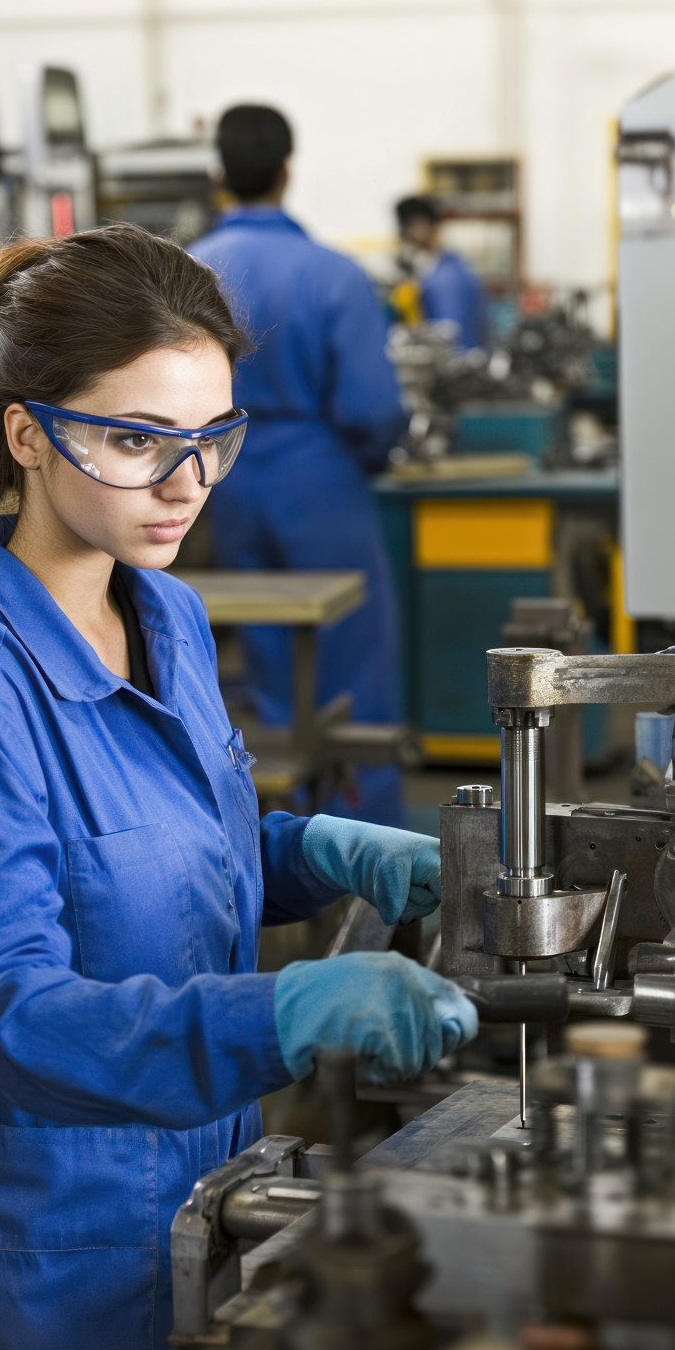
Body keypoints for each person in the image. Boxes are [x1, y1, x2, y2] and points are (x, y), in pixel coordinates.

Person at [0, 224, 478, 1350]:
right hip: (37, 1276)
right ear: (26, 434)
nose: (184, 485)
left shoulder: (166, 614)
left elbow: (167, 852)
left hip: (197, 1206)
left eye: (209, 441)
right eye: (135, 441)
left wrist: (322, 850)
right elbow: (1, 1019)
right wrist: (280, 1014)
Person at [191, 105, 407, 828]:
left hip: (225, 479)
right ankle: (367, 850)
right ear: (289, 169)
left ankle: (276, 837)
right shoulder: (333, 275)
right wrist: (371, 457)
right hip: (320, 482)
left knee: (268, 668)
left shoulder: (187, 273)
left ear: (219, 174)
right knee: (352, 676)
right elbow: (372, 409)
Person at [394, 195, 489, 351]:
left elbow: (450, 340)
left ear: (421, 226)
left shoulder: (446, 279)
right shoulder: (449, 269)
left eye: (407, 233)